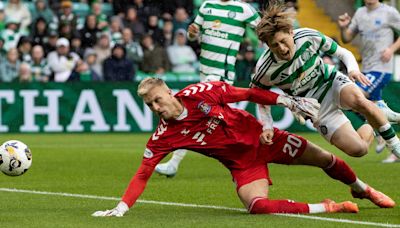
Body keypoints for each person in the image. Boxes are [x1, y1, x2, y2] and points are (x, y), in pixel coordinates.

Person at [92, 78, 395, 217]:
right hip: (243, 165)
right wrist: (121, 208)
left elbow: (249, 93)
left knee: (328, 160)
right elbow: (143, 172)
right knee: (256, 207)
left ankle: (362, 188)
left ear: (170, 92)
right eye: (149, 105)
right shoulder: (163, 136)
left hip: (268, 140)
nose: (156, 107)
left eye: (158, 99)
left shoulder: (202, 93)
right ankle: (330, 207)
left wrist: (284, 100)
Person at [251, 3, 400, 161]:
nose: (281, 48)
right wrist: (267, 125)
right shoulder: (265, 69)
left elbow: (342, 52)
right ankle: (375, 114)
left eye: (283, 41)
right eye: (274, 45)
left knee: (358, 100)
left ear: (290, 31)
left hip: (331, 82)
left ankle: (395, 145)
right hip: (316, 108)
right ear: (267, 45)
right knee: (359, 149)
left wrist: (352, 70)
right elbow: (258, 96)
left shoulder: (308, 36)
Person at [155, 0, 261, 177]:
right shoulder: (206, 6)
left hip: (221, 76)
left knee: (192, 113)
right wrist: (192, 33)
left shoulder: (243, 9)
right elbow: (193, 35)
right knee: (215, 120)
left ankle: (174, 163)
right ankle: (254, 151)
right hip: (204, 73)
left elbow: (264, 29)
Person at [338, 0, 400, 163]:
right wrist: (344, 27)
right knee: (370, 108)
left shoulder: (389, 12)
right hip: (365, 70)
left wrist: (391, 50)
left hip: (381, 68)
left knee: (353, 96)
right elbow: (346, 39)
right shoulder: (360, 13)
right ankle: (387, 125)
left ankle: (380, 131)